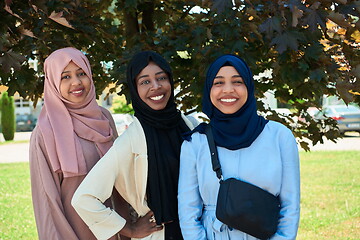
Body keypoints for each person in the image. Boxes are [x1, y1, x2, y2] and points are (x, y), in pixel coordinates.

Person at [72, 51, 197, 240]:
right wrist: (129, 230)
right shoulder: (130, 141)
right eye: (145, 81)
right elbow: (83, 198)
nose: (156, 86)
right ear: (135, 89)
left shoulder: (190, 126)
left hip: (198, 231)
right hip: (163, 233)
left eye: (161, 78)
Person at [178, 54, 300, 239]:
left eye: (237, 81)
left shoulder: (279, 137)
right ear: (209, 89)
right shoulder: (196, 142)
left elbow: (290, 206)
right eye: (218, 83)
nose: (228, 90)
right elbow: (188, 210)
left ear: (249, 87)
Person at [29, 47, 129, 240]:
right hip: (78, 232)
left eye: (81, 73)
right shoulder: (44, 133)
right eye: (65, 76)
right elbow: (47, 202)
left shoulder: (104, 117)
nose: (76, 82)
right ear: (52, 82)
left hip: (120, 230)